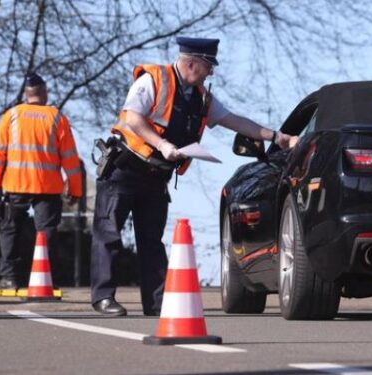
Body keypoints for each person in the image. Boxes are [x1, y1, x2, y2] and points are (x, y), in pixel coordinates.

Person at [90, 36, 297, 316]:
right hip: (124, 170)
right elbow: (132, 119)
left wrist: (277, 137)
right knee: (109, 235)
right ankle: (103, 298)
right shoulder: (153, 80)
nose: (211, 72)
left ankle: (157, 304)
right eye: (208, 66)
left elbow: (233, 121)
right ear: (191, 63)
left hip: (155, 177)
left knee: (151, 241)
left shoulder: (201, 96)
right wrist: (162, 145)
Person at [0, 73, 83, 289]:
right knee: (47, 230)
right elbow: (70, 158)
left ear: (26, 94)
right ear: (45, 92)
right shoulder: (56, 118)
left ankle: (9, 277)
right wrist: (75, 189)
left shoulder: (11, 116)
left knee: (10, 229)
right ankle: (46, 277)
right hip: (47, 187)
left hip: (15, 185)